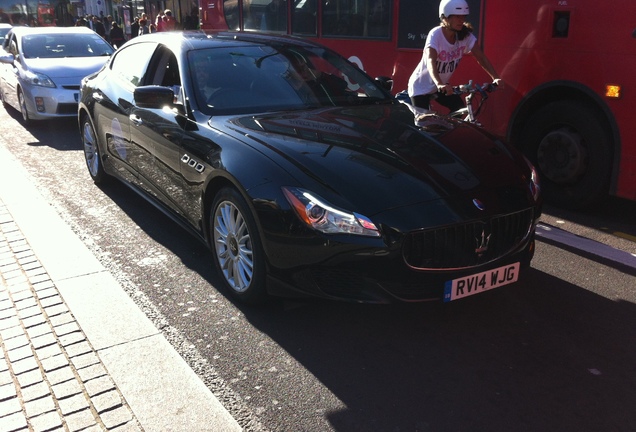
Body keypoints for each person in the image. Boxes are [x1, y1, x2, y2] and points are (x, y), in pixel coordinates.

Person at [407, 0, 503, 112]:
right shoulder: (436, 34)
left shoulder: (465, 36)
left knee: (459, 108)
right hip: (421, 88)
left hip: (439, 87)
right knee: (424, 123)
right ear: (445, 17)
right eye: (457, 17)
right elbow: (430, 60)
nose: (461, 20)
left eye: (463, 17)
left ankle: (445, 129)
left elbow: (481, 57)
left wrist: (495, 77)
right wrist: (440, 83)